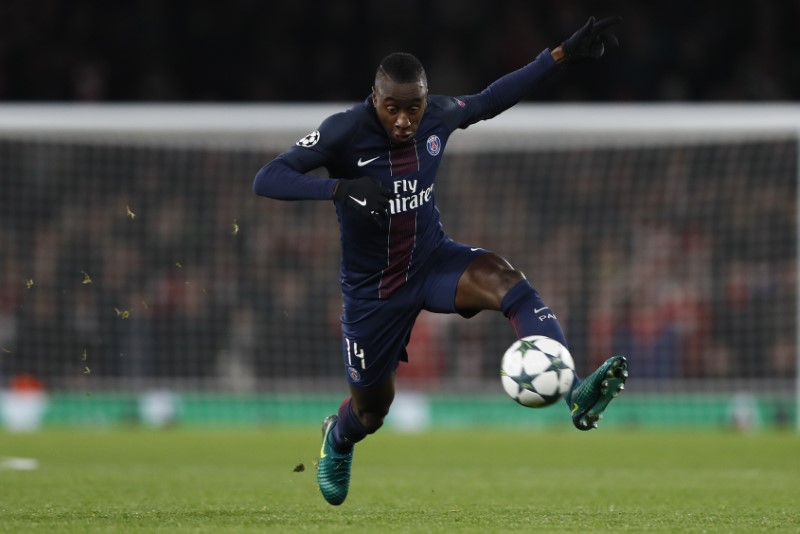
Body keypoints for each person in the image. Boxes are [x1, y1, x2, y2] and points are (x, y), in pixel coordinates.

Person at [253, 16, 628, 506]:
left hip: (433, 261)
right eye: (393, 109)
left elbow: (492, 98)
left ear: (426, 100)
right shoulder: (344, 130)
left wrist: (560, 54)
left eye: (414, 108)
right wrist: (340, 189)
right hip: (374, 292)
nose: (405, 120)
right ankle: (338, 438)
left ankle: (574, 390)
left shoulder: (438, 116)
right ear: (375, 99)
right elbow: (268, 177)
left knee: (510, 284)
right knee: (371, 412)